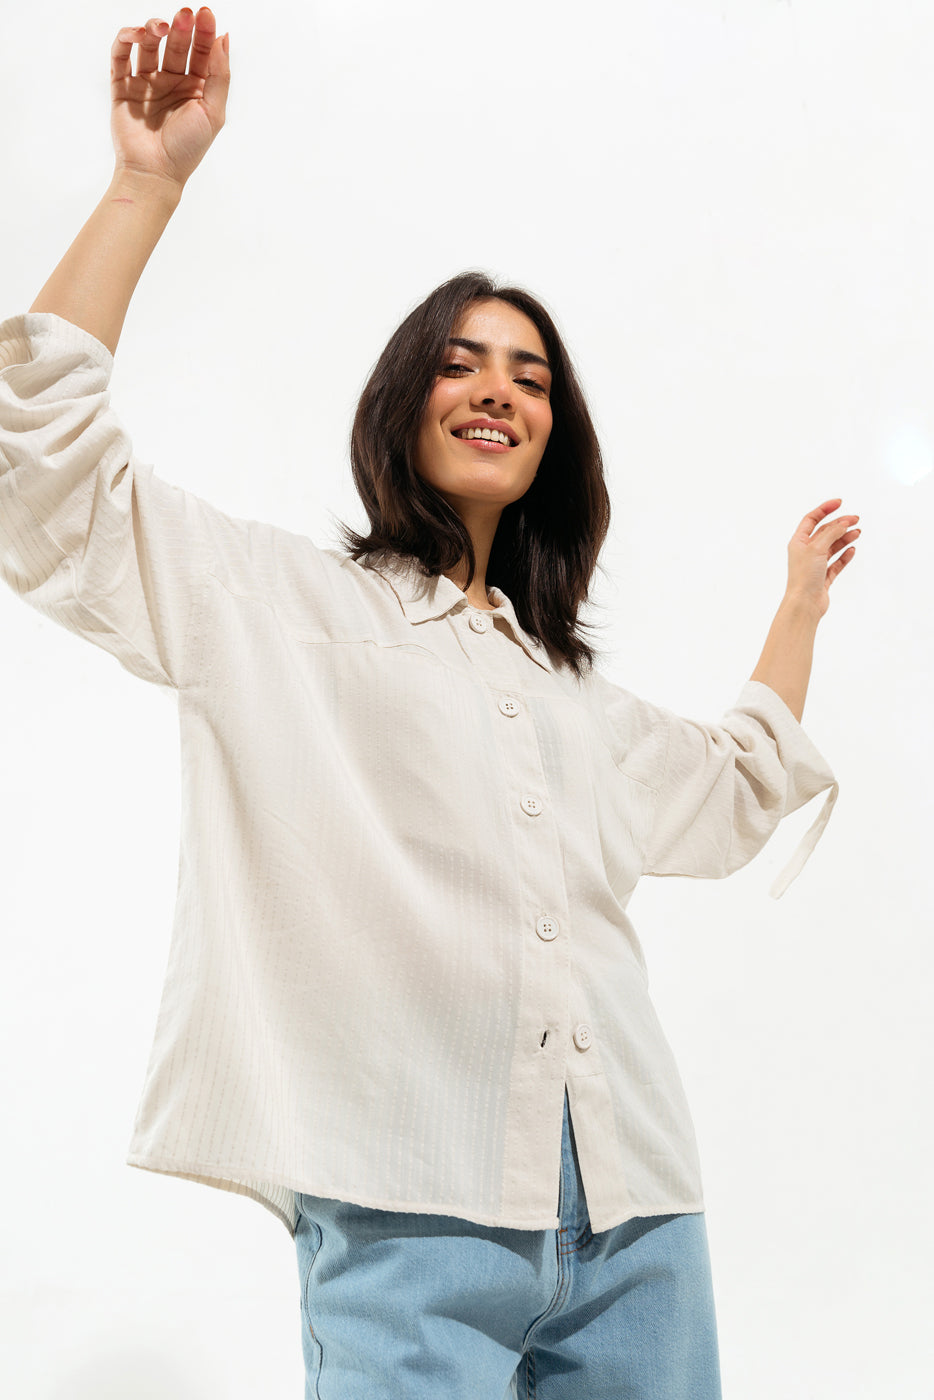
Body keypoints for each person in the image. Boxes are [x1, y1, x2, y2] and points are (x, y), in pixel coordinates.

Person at [0, 10, 858, 1399]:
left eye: (529, 377)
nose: (497, 391)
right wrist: (144, 187)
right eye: (461, 361)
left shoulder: (569, 699)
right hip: (402, 1199)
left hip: (639, 1211)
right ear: (402, 402)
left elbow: (731, 789)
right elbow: (43, 480)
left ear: (551, 442)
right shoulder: (275, 604)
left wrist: (795, 616)